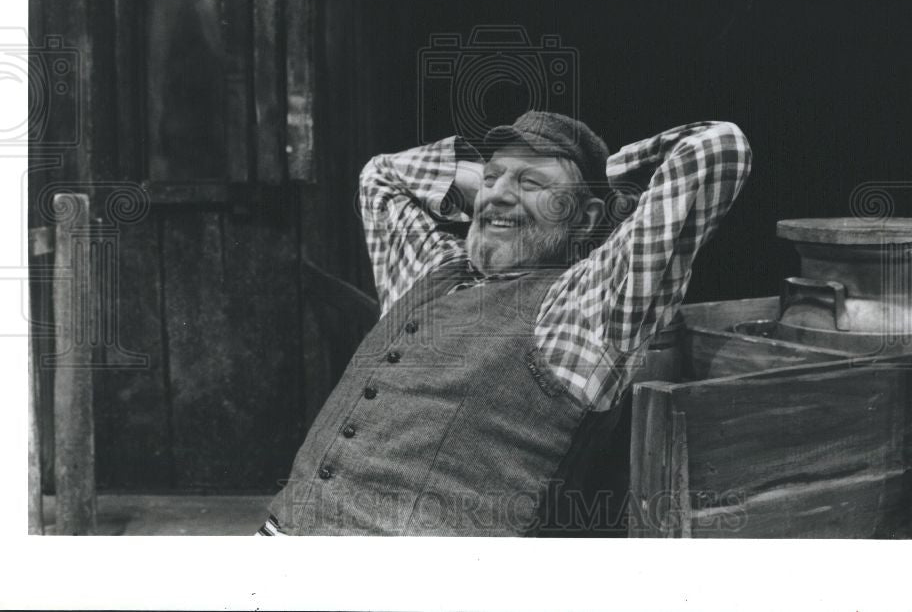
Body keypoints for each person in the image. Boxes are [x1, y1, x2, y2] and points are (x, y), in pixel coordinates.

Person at [259, 111, 751, 536]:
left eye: (532, 183)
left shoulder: (582, 308)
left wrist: (606, 180)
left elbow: (717, 148)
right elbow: (380, 177)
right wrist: (494, 182)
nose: (497, 196)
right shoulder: (433, 271)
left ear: (583, 220)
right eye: (492, 178)